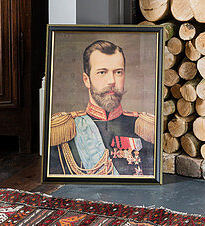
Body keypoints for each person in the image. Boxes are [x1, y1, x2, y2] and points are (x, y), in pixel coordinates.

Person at [48, 39, 155, 177]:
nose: (111, 81)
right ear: (87, 80)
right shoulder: (61, 130)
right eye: (102, 72)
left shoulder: (146, 127)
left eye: (118, 72)